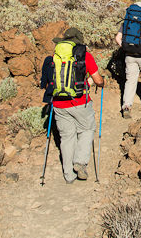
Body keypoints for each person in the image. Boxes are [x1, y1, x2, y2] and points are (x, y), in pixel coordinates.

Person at [42, 27, 104, 184]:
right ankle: (80, 162)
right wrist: (101, 82)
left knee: (67, 137)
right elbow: (97, 80)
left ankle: (68, 174)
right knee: (87, 129)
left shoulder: (54, 57)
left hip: (58, 105)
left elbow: (46, 83)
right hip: (80, 102)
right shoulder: (84, 56)